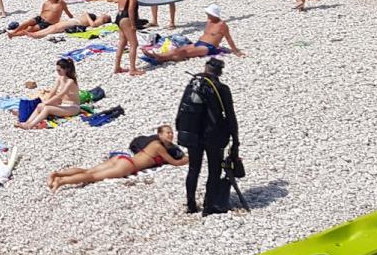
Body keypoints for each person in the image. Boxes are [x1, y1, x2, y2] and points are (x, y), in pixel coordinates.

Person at [175, 58, 240, 215]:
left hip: (193, 134)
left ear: (205, 68)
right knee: (214, 170)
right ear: (220, 72)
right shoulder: (221, 88)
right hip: (214, 136)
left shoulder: (192, 85)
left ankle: (191, 205)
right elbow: (230, 115)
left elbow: (181, 111)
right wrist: (235, 140)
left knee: (193, 169)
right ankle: (209, 206)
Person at [49, 125, 187, 191]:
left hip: (122, 159)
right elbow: (175, 162)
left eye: (171, 133)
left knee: (88, 171)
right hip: (127, 166)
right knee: (93, 177)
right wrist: (190, 158)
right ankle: (61, 181)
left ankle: (57, 174)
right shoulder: (158, 146)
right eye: (167, 133)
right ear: (159, 134)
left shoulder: (155, 144)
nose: (170, 135)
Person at [145, 5, 244, 63]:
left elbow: (228, 38)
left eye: (209, 14)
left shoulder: (222, 25)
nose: (207, 15)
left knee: (184, 52)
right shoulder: (209, 21)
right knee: (179, 49)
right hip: (199, 43)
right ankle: (159, 55)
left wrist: (235, 51)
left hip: (209, 48)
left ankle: (161, 58)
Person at [15, 58, 82, 129]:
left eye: (59, 70)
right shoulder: (60, 78)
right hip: (63, 104)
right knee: (39, 105)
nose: (57, 72)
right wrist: (45, 101)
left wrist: (46, 103)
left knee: (47, 108)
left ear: (66, 70)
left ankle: (29, 126)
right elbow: (53, 91)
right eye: (57, 70)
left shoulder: (70, 81)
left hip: (73, 107)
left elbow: (60, 95)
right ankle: (26, 123)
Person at [114, 0, 147, 76]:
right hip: (126, 18)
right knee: (134, 44)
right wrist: (133, 24)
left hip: (119, 17)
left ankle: (117, 67)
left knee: (122, 43)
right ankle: (132, 69)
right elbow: (131, 9)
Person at [9, 0, 73, 38]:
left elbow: (67, 12)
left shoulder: (61, 3)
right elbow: (42, 12)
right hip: (40, 18)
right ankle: (13, 32)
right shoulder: (46, 3)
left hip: (48, 23)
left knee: (30, 29)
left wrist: (72, 19)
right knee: (26, 23)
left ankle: (13, 35)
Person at [26, 8, 113, 39]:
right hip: (73, 20)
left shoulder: (100, 20)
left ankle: (37, 35)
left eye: (106, 15)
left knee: (55, 28)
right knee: (54, 26)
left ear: (105, 19)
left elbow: (93, 25)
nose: (104, 14)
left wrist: (87, 15)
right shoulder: (97, 17)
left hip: (76, 22)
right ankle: (36, 33)